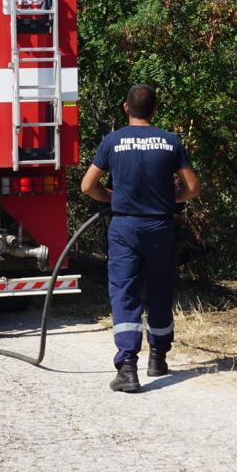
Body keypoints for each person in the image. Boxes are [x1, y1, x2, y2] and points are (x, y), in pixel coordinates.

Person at [81, 84, 201, 393]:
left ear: (125, 107)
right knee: (160, 290)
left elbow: (87, 186)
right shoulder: (170, 141)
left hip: (125, 227)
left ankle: (127, 368)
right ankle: (158, 357)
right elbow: (191, 188)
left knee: (125, 292)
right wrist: (167, 199)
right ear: (155, 110)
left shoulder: (112, 141)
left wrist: (113, 197)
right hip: (160, 227)